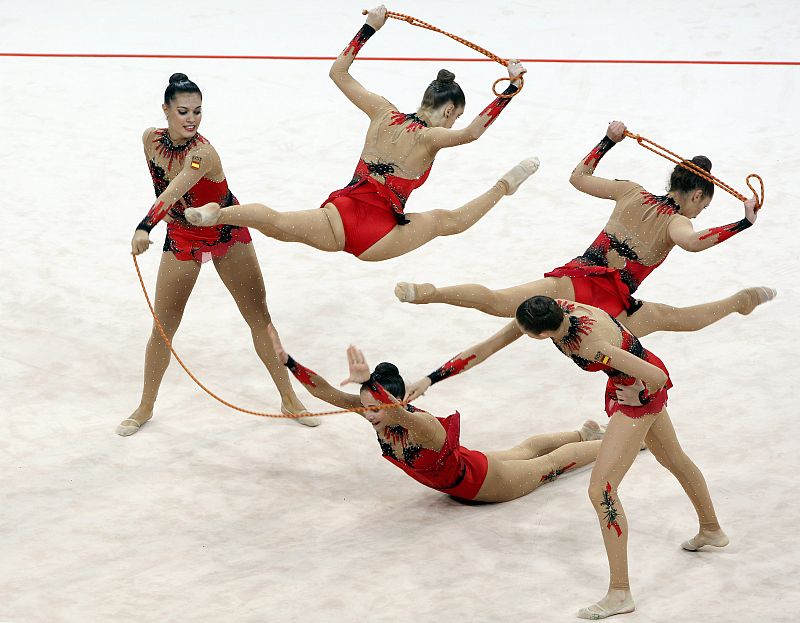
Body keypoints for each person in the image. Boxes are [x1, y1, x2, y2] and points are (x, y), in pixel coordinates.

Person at [404, 296, 729, 619]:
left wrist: (640, 393)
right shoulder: (555, 308)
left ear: (541, 335)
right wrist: (431, 378)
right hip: (628, 377)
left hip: (639, 389)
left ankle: (620, 592)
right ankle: (711, 528)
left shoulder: (590, 346)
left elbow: (656, 376)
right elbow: (490, 346)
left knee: (601, 490)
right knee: (673, 458)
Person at [184, 6, 538, 261]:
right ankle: (504, 186)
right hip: (378, 235)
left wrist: (369, 28)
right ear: (448, 111)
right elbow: (473, 133)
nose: (453, 123)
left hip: (339, 214)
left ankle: (219, 213)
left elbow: (338, 73)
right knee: (450, 222)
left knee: (276, 222)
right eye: (455, 116)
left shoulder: (382, 112)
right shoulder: (429, 138)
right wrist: (510, 88)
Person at [395, 120, 774, 338]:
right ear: (696, 196)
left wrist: (607, 141)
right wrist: (742, 222)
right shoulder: (678, 222)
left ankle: (430, 293)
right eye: (703, 207)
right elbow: (693, 243)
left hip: (574, 281)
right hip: (611, 306)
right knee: (676, 319)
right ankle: (738, 303)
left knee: (497, 301)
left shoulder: (630, 191)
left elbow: (578, 177)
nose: (699, 213)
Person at [119, 73, 318, 436]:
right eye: (183, 111)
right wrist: (161, 223)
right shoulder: (150, 139)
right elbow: (164, 185)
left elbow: (174, 189)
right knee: (163, 327)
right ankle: (145, 406)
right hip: (183, 235)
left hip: (225, 228)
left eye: (197, 111)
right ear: (165, 109)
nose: (191, 119)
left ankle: (289, 398)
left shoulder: (203, 154)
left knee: (259, 318)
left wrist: (145, 226)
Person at [266, 325, 628, 503]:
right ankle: (585, 433)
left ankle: (624, 441)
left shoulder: (420, 425)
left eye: (375, 406)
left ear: (396, 402)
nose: (369, 415)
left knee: (552, 464)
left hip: (486, 485)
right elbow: (326, 392)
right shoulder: (376, 414)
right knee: (525, 448)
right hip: (468, 467)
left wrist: (370, 387)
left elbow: (396, 412)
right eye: (366, 407)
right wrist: (288, 362)